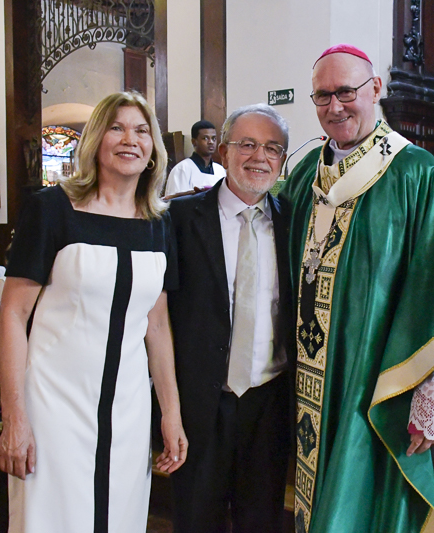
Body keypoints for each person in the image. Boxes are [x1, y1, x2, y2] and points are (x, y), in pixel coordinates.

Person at [278, 44, 434, 533]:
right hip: (310, 373)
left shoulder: (414, 172)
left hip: (378, 374)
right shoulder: (303, 175)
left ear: (375, 89)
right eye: (322, 96)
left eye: (346, 92)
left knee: (367, 495)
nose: (335, 107)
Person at [0, 91, 187, 533]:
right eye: (117, 128)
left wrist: (170, 412)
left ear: (153, 147)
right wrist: (14, 417)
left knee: (120, 519)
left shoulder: (158, 221)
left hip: (128, 406)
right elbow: (13, 315)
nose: (130, 139)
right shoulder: (52, 209)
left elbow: (157, 324)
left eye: (141, 131)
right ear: (97, 139)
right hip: (53, 402)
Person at [167, 104, 293, 533]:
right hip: (199, 404)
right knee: (196, 520)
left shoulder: (295, 223)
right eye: (247, 144)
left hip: (269, 403)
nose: (260, 157)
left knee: (262, 521)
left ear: (283, 160)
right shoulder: (178, 219)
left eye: (272, 148)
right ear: (222, 151)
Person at [164, 120, 226, 196]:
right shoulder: (182, 169)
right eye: (205, 138)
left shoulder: (220, 171)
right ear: (194, 142)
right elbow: (174, 200)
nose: (211, 142)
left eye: (213, 138)